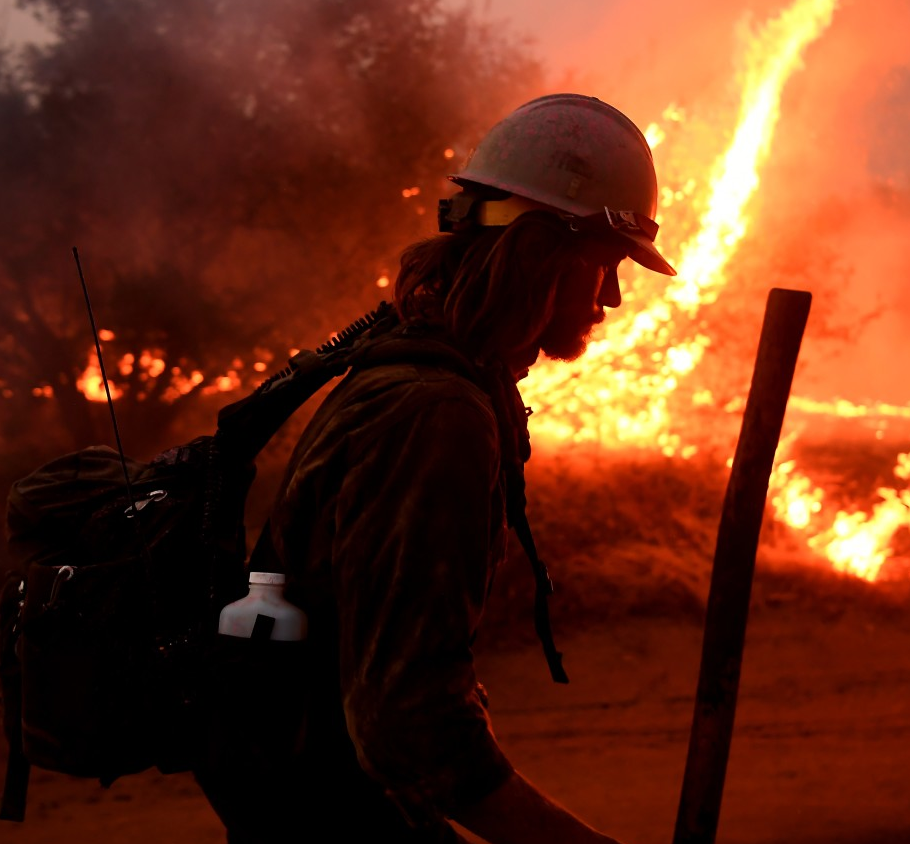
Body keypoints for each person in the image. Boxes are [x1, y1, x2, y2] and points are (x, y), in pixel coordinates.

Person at [195, 93, 677, 843]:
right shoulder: (435, 415)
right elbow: (410, 727)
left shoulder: (421, 378)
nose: (612, 298)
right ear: (540, 254)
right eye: (606, 263)